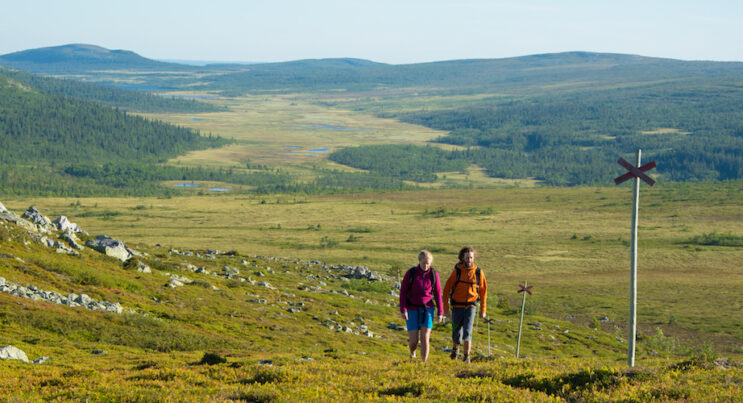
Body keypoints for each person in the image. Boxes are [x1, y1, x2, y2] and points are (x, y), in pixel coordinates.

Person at [443, 246, 487, 364]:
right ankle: (455, 350)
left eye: (471, 257)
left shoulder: (478, 273)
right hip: (457, 306)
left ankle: (467, 357)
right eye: (467, 257)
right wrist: (445, 309)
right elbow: (446, 289)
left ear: (474, 258)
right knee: (456, 331)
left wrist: (483, 310)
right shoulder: (457, 271)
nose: (469, 260)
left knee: (467, 332)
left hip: (470, 306)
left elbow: (483, 292)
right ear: (462, 257)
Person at [399, 250, 444, 362]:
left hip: (428, 309)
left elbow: (438, 293)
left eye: (428, 263)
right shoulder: (411, 273)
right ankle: (412, 353)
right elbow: (403, 292)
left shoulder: (434, 274)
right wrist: (403, 310)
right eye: (424, 263)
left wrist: (440, 312)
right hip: (412, 309)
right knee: (414, 340)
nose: (426, 266)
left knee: (425, 337)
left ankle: (423, 363)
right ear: (419, 261)